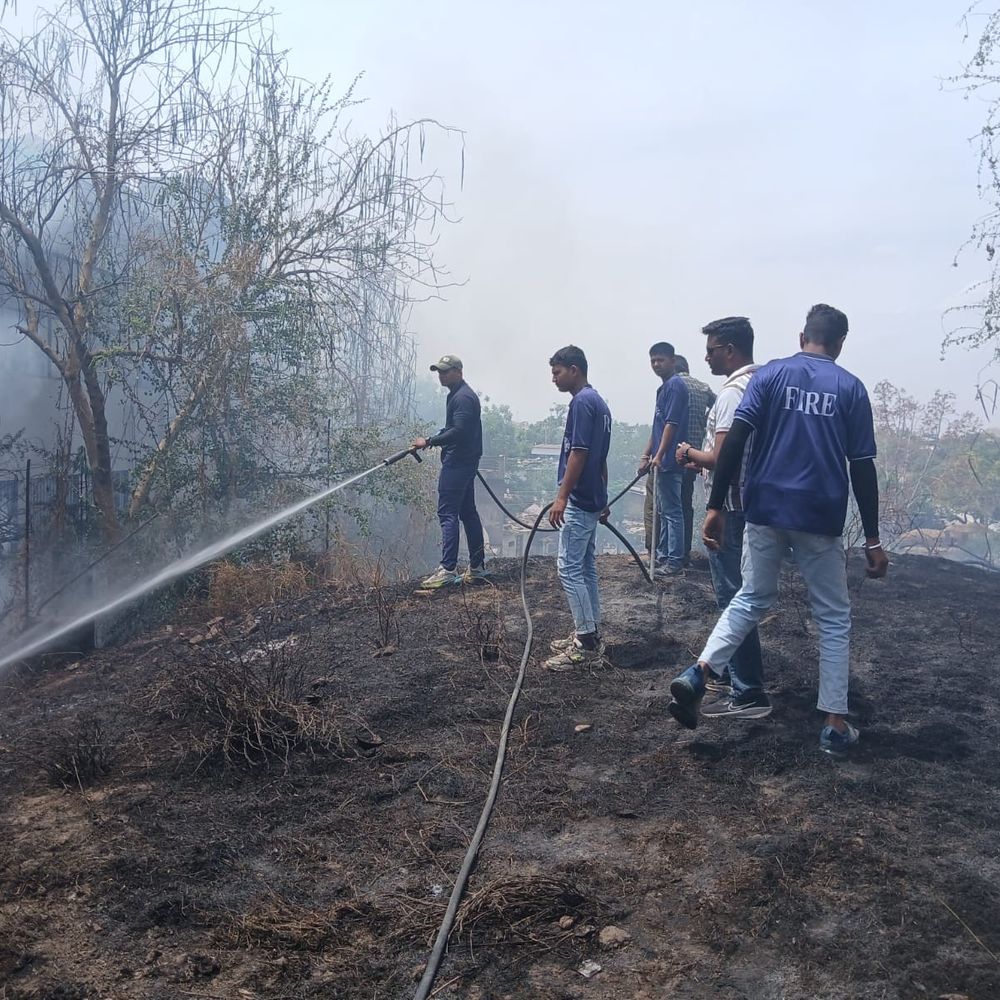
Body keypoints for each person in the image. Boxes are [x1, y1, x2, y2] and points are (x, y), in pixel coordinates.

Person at [666, 304, 889, 757]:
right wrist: (872, 538)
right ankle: (833, 724)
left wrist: (714, 507)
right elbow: (862, 466)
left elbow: (735, 444)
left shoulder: (768, 377)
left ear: (801, 334)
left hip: (764, 507)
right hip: (819, 515)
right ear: (841, 343)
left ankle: (701, 672)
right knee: (831, 615)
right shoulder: (850, 388)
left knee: (750, 597)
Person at [674, 317, 767, 718]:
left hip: (730, 505)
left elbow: (724, 456)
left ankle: (747, 691)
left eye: (711, 349)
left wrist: (690, 454)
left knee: (734, 598)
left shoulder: (731, 394)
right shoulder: (762, 384)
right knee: (741, 594)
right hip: (751, 502)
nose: (706, 357)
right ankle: (729, 673)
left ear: (729, 349)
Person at [543, 346, 612, 672]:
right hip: (591, 497)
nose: (553, 378)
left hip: (580, 500)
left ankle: (585, 643)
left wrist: (561, 497)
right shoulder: (599, 402)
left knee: (568, 568)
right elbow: (601, 459)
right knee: (584, 567)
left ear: (574, 369)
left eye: (557, 372)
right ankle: (590, 631)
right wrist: (604, 496)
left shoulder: (583, 402)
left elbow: (581, 454)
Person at [413, 355, 488, 588]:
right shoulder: (456, 395)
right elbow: (454, 427)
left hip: (458, 463)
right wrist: (434, 438)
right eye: (439, 372)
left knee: (448, 514)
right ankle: (477, 567)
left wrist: (429, 441)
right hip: (463, 461)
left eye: (445, 371)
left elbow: (459, 431)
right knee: (467, 512)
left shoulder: (463, 398)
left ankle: (448, 569)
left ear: (459, 371)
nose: (441, 375)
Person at [639, 342, 688, 577]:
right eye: (653, 361)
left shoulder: (677, 386)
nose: (656, 364)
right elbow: (657, 426)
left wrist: (659, 455)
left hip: (669, 462)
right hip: (660, 460)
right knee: (664, 510)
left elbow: (672, 424)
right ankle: (664, 556)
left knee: (672, 512)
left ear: (672, 361)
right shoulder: (663, 389)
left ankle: (674, 560)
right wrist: (646, 455)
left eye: (660, 360)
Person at [673, 355, 716, 564]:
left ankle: (671, 554)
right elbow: (717, 407)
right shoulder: (703, 388)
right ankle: (684, 552)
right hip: (696, 453)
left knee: (669, 507)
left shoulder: (672, 386)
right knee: (685, 503)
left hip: (674, 454)